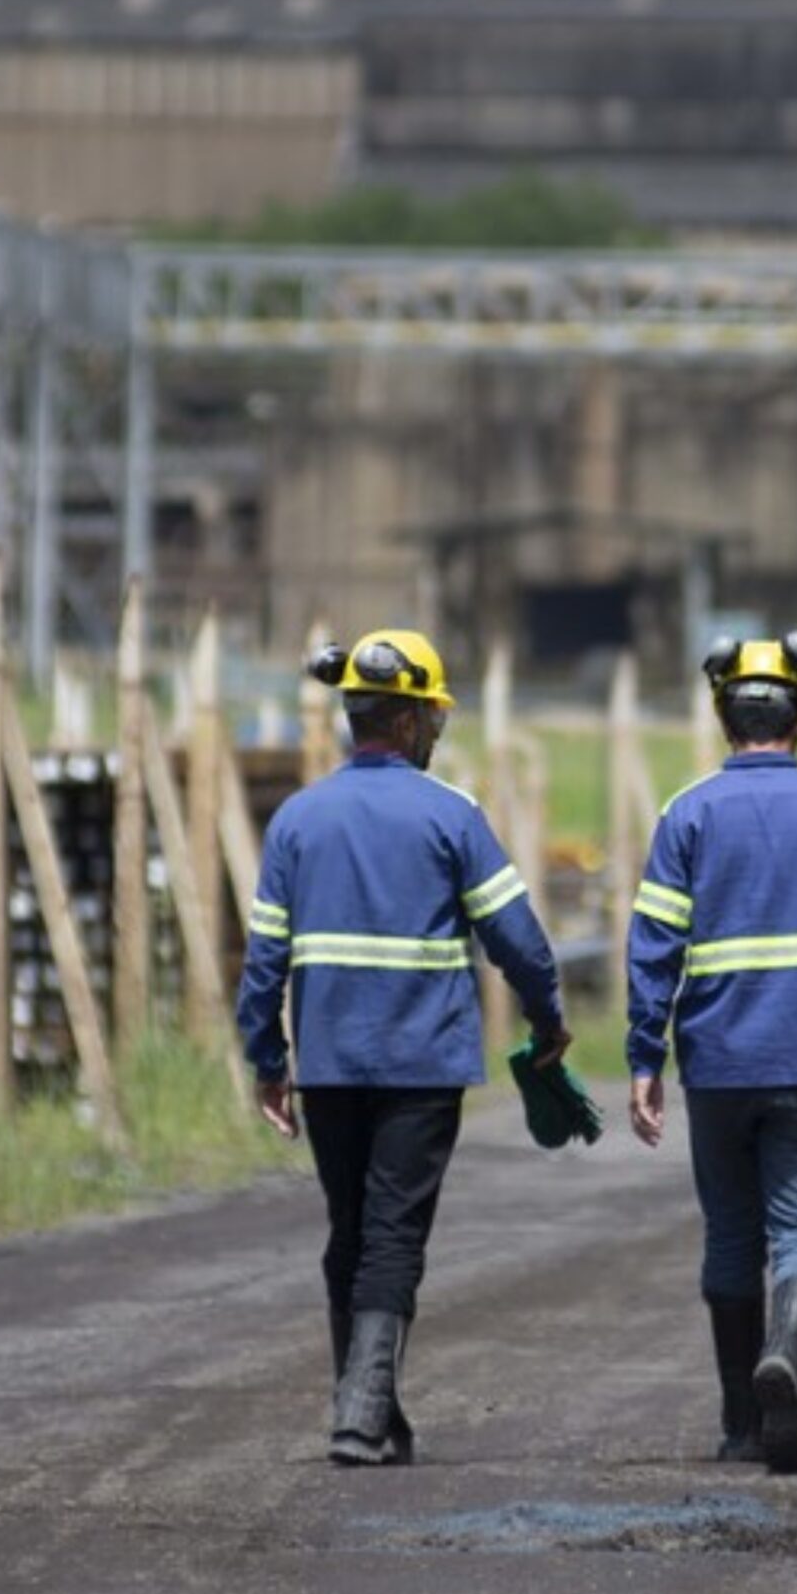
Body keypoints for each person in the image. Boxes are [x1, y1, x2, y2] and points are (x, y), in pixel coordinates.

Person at [237, 628, 572, 1467]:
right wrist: (547, 1018)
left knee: (349, 1229)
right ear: (417, 720)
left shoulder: (297, 821)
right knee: (392, 1235)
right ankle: (359, 1412)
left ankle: (372, 1409)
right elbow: (518, 940)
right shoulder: (450, 815)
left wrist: (268, 1061)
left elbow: (264, 960)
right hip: (421, 1064)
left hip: (331, 1063)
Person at [626, 632, 797, 1474]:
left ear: (725, 715)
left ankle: (743, 1424)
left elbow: (653, 948)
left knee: (730, 1237)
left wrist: (644, 1056)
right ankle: (787, 1357)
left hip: (715, 1067)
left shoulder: (686, 814)